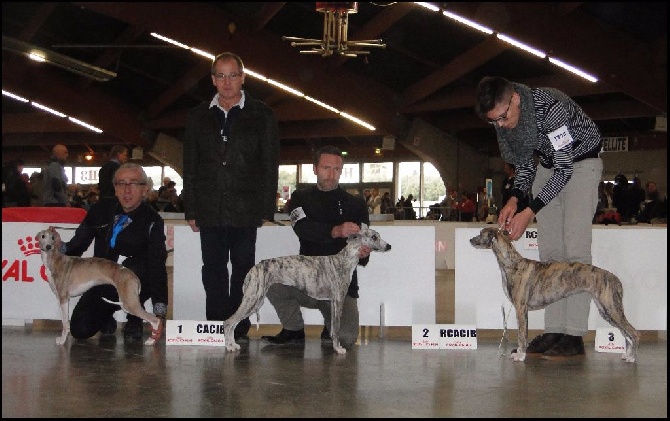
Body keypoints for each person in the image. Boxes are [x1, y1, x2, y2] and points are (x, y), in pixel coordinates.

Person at [476, 76, 603, 357]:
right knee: (551, 255)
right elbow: (524, 166)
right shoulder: (505, 120)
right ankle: (555, 330)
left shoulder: (550, 106)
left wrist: (529, 211)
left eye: (502, 117)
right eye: (494, 121)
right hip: (550, 164)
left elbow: (565, 169)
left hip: (581, 163)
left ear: (515, 99)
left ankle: (574, 334)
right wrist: (513, 200)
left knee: (576, 252)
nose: (500, 124)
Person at [182, 51, 280, 343]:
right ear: (213, 80)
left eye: (233, 75)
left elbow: (269, 164)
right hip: (208, 208)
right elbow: (190, 165)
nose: (227, 82)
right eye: (221, 76)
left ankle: (238, 326)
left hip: (246, 209)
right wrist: (191, 208)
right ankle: (215, 326)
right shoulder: (197, 116)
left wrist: (266, 209)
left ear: (243, 78)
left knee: (243, 271)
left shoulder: (263, 114)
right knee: (212, 270)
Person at [261, 146, 371, 347]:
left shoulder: (356, 204)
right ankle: (293, 329)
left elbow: (364, 249)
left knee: (346, 338)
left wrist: (364, 253)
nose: (331, 174)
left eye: (336, 169)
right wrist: (335, 231)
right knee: (271, 281)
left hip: (340, 287)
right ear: (315, 168)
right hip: (306, 282)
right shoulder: (300, 198)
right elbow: (303, 229)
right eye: (326, 168)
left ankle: (331, 324)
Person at [62, 163, 168, 341]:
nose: (127, 190)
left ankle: (135, 315)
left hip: (137, 281)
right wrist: (58, 247)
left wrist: (160, 312)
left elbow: (157, 266)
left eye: (133, 183)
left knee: (134, 268)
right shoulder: (100, 210)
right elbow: (77, 245)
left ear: (145, 189)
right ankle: (106, 313)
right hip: (104, 282)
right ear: (115, 189)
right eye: (121, 183)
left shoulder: (153, 221)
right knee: (80, 330)